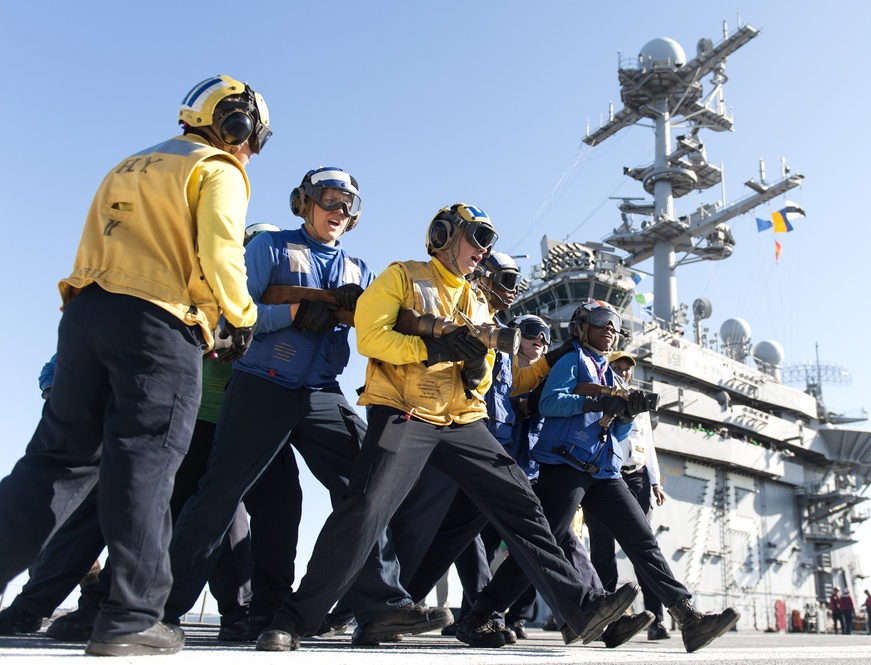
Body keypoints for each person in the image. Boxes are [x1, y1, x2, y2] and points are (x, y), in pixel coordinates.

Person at [254, 202, 638, 652]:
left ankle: (583, 607)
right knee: (364, 508)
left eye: (488, 241)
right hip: (404, 409)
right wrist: (433, 348)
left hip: (463, 420)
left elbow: (484, 372)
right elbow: (370, 335)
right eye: (476, 238)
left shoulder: (476, 299)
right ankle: (293, 619)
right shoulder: (401, 275)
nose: (484, 250)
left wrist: (475, 360)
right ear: (443, 234)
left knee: (523, 508)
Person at [0, 74, 268, 657]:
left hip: (85, 315)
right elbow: (221, 249)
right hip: (158, 324)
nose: (252, 151)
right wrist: (241, 318)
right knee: (145, 462)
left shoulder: (131, 163)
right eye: (256, 139)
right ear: (235, 125)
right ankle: (132, 619)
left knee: (55, 461)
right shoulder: (217, 168)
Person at [167, 167, 447, 646]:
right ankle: (158, 609)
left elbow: (379, 334)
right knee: (219, 494)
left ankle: (381, 607)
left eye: (349, 206)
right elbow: (231, 313)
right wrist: (292, 313)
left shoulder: (361, 271)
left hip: (321, 393)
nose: (339, 212)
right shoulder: (269, 248)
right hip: (261, 385)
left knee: (366, 487)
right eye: (330, 200)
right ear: (305, 202)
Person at [466, 300, 740, 653]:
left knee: (643, 541)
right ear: (581, 328)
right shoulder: (572, 361)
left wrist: (625, 414)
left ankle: (687, 617)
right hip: (565, 468)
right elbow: (550, 402)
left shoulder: (608, 373)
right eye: (601, 323)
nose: (609, 329)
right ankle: (482, 613)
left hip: (605, 473)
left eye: (614, 325)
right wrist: (598, 402)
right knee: (543, 548)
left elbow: (619, 437)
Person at [584, 350, 671, 641]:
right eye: (617, 366)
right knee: (602, 550)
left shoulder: (638, 400)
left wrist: (656, 482)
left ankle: (656, 620)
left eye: (627, 368)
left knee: (643, 546)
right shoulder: (600, 394)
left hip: (638, 477)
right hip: (606, 476)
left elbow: (649, 443)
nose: (623, 371)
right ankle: (607, 619)